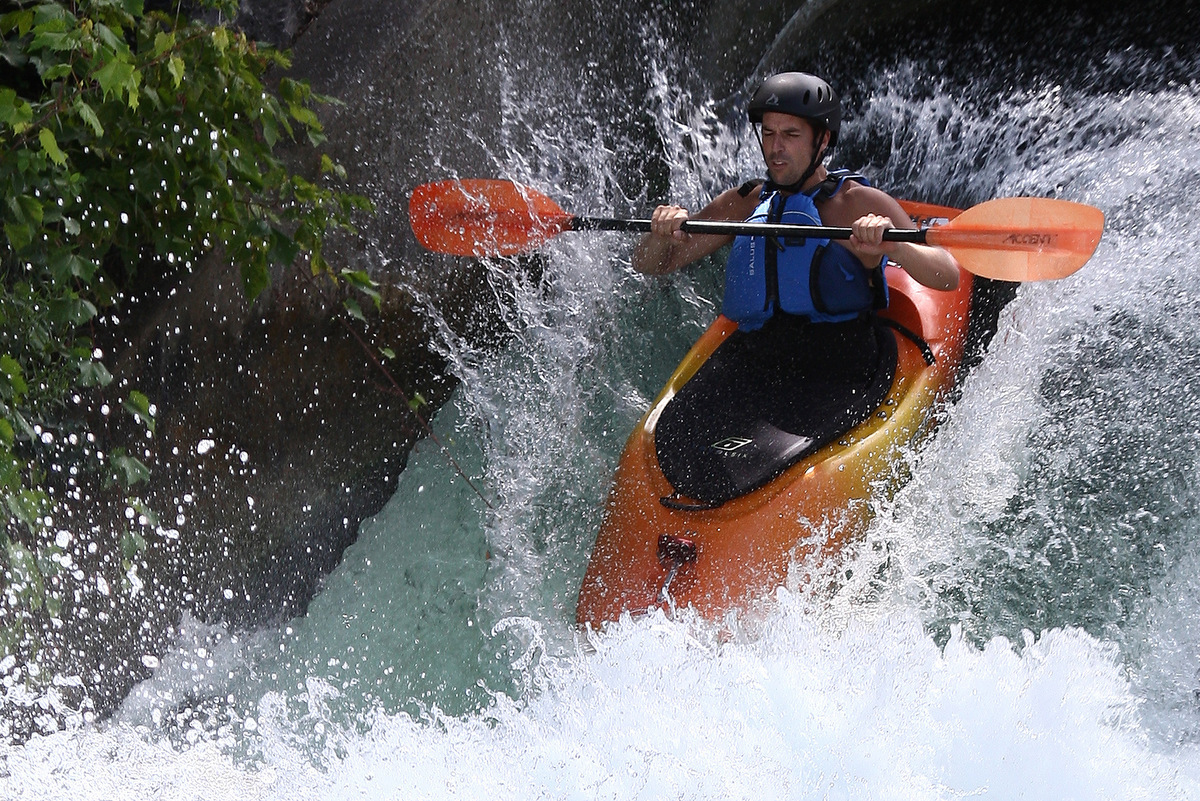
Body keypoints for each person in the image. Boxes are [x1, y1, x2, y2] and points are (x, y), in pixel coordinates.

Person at [638, 72, 963, 505]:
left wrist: (892, 245)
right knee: (678, 440)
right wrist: (662, 234)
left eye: (791, 134)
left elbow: (947, 275)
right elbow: (650, 265)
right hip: (757, 358)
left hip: (836, 364)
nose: (776, 148)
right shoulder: (746, 202)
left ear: (822, 140)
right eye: (769, 133)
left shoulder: (857, 204)